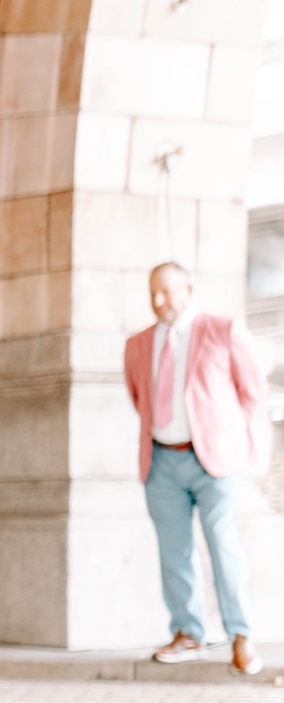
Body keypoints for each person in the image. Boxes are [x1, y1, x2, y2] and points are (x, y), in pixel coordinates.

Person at [124, 262, 267, 675]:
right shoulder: (138, 344)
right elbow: (140, 398)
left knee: (223, 545)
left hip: (214, 462)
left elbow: (252, 391)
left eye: (167, 291)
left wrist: (230, 437)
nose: (158, 301)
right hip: (161, 461)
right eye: (153, 292)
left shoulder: (223, 330)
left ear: (189, 289)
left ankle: (241, 637)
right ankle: (188, 633)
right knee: (174, 552)